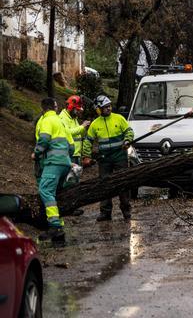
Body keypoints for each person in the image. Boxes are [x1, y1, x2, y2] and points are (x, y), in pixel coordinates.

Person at [82, 95, 134, 221]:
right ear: (99, 109)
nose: (109, 108)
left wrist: (127, 140)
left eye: (109, 106)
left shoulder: (119, 118)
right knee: (104, 184)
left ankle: (126, 210)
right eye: (105, 107)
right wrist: (86, 156)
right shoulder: (95, 124)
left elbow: (129, 131)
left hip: (120, 156)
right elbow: (88, 141)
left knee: (123, 183)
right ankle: (105, 212)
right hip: (104, 159)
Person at [33, 97, 74, 245]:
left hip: (52, 163)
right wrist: (66, 159)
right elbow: (71, 146)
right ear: (54, 107)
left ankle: (55, 226)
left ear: (43, 108)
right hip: (65, 163)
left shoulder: (46, 120)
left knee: (45, 190)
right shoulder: (61, 121)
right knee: (56, 194)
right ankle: (59, 236)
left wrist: (36, 153)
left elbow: (43, 139)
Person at [59, 95, 90, 165]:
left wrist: (85, 128)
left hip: (76, 154)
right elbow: (67, 132)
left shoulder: (73, 118)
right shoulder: (62, 117)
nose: (79, 112)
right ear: (71, 107)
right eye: (77, 110)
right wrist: (82, 126)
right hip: (69, 154)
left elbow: (78, 134)